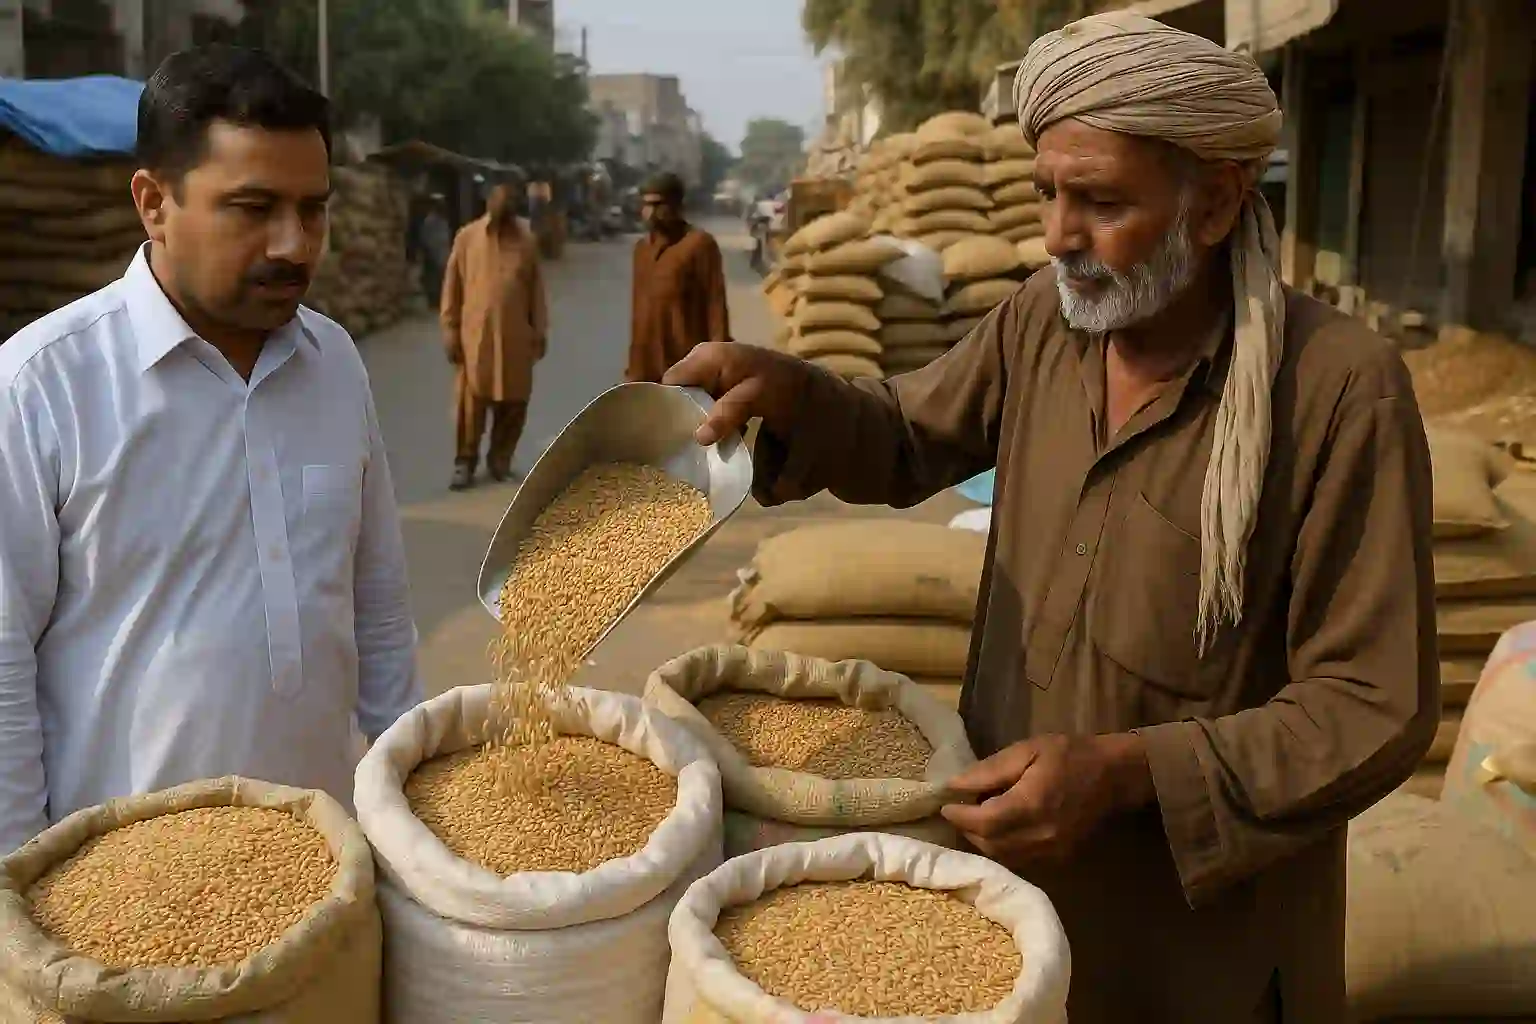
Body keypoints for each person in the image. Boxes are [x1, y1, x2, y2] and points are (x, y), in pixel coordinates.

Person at [665, 14, 1437, 1024]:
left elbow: (1372, 704)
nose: (1060, 234)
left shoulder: (1338, 389)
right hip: (1009, 909)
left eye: (1101, 201)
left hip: (1198, 948)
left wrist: (1128, 773)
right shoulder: (1044, 321)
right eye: (1046, 194)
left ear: (1215, 202)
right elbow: (904, 434)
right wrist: (797, 393)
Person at [0, 45, 423, 854]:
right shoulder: (42, 387)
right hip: (116, 885)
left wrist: (403, 806)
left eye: (314, 209)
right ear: (154, 204)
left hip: (324, 861)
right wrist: (21, 884)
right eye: (253, 208)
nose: (295, 245)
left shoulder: (334, 363)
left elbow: (378, 608)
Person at [439, 181, 548, 490]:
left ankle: (500, 461)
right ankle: (465, 461)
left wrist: (539, 330)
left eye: (512, 196)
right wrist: (449, 329)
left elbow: (536, 291)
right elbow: (452, 288)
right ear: (489, 199)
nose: (506, 201)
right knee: (470, 404)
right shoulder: (467, 238)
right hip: (476, 340)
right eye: (501, 195)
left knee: (514, 404)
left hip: (516, 340)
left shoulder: (527, 241)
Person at [628, 171, 730, 383]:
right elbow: (639, 310)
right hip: (646, 369)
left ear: (677, 206)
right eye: (646, 206)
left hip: (687, 367)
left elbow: (715, 306)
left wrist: (717, 362)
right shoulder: (642, 250)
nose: (650, 213)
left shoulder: (699, 244)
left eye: (658, 205)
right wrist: (633, 366)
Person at [418, 194, 452, 306]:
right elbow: (426, 237)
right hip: (433, 253)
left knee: (442, 278)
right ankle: (433, 300)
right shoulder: (430, 220)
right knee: (433, 278)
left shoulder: (443, 220)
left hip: (443, 252)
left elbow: (446, 236)